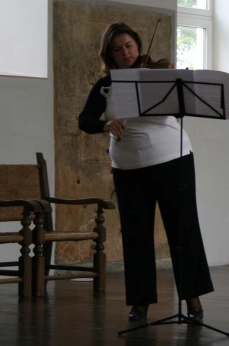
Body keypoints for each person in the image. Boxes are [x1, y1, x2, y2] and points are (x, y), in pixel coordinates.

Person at [78, 21, 214, 322]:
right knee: (135, 235)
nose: (126, 53)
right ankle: (140, 303)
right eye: (118, 49)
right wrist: (105, 124)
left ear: (138, 45)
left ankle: (192, 300)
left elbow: (179, 107)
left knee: (183, 229)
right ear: (110, 55)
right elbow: (85, 120)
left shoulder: (159, 75)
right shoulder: (106, 85)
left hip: (172, 158)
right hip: (128, 167)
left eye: (129, 46)